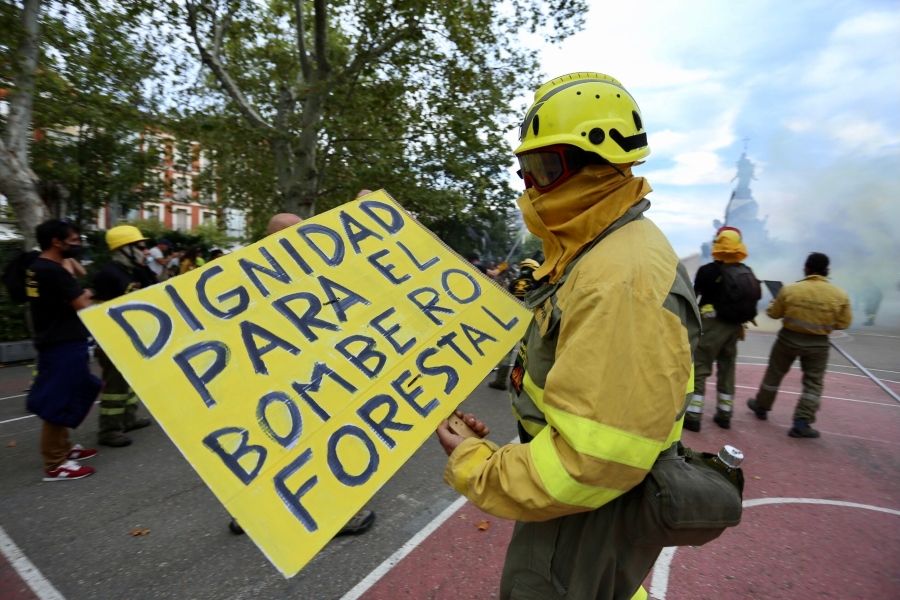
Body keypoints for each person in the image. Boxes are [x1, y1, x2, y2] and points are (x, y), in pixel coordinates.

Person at [436, 72, 700, 600]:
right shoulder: (594, 250)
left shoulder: (619, 276)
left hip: (589, 501)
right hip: (588, 495)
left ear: (601, 163)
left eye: (543, 166)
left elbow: (593, 461)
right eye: (525, 168)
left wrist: (477, 465)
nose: (529, 184)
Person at [228, 210, 376, 536]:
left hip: (309, 374)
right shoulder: (247, 278)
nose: (302, 241)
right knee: (285, 441)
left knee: (304, 440)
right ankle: (320, 512)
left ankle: (256, 511)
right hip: (275, 379)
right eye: (294, 235)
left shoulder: (307, 271)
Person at [25, 219, 101, 481]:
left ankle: (64, 448)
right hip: (64, 343)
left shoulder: (37, 268)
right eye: (74, 239)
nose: (77, 244)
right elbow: (81, 303)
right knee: (59, 400)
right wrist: (90, 292)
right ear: (56, 241)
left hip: (54, 340)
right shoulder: (54, 272)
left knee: (69, 393)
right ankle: (55, 463)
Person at [747, 252, 852, 438]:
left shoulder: (790, 290)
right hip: (818, 345)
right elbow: (843, 323)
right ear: (826, 271)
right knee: (813, 383)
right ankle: (802, 422)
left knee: (774, 374)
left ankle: (761, 407)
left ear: (807, 268)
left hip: (788, 340)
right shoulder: (839, 294)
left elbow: (773, 314)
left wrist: (775, 302)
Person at [685, 226, 760, 432]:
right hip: (735, 328)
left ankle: (693, 415)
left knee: (700, 369)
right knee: (727, 370)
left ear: (717, 244)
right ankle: (724, 414)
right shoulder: (747, 272)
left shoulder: (708, 271)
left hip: (712, 327)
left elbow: (694, 296)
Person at [92, 225, 156, 447]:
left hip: (131, 338)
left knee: (129, 383)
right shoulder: (107, 275)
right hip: (112, 339)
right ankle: (108, 429)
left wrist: (145, 267)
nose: (146, 251)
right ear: (124, 249)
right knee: (115, 388)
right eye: (140, 246)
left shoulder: (133, 270)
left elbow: (154, 290)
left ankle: (129, 418)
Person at [488, 257, 541, 391]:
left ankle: (500, 380)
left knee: (507, 350)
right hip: (529, 319)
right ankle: (517, 383)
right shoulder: (538, 284)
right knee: (524, 352)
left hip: (512, 318)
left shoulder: (514, 282)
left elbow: (507, 299)